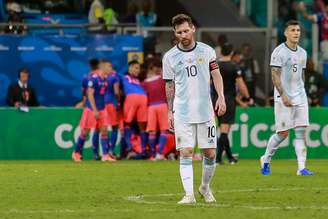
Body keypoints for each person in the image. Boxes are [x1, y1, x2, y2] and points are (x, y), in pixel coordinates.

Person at [162, 14, 226, 204]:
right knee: (186, 151)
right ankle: (189, 194)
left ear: (193, 29)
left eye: (185, 30)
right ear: (175, 33)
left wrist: (221, 96)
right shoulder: (170, 57)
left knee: (210, 153)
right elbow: (169, 85)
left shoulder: (207, 51)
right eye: (179, 31)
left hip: (205, 111)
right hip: (182, 112)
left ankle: (204, 188)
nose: (183, 34)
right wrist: (169, 111)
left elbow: (216, 75)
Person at [260, 20, 314, 176]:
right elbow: (274, 75)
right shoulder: (279, 52)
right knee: (283, 133)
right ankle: (266, 159)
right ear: (285, 33)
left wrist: (303, 93)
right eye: (292, 30)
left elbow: (301, 75)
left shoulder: (303, 52)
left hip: (300, 97)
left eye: (298, 30)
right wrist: (283, 94)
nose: (296, 33)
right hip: (283, 97)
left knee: (300, 133)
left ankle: (301, 168)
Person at [214, 43, 253, 165]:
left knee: (223, 129)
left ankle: (229, 157)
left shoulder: (215, 65)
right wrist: (247, 97)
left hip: (216, 100)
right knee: (225, 131)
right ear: (231, 52)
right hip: (228, 100)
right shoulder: (234, 66)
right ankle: (218, 159)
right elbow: (241, 84)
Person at [72, 59, 114, 162]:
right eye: (109, 67)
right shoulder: (93, 79)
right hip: (91, 109)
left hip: (102, 108)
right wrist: (95, 110)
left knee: (104, 130)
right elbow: (90, 94)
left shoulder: (105, 80)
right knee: (85, 131)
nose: (111, 69)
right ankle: (76, 153)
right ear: (103, 67)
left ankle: (105, 155)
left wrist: (101, 109)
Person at [142, 58, 169, 160]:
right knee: (163, 131)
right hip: (162, 105)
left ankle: (153, 155)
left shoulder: (145, 82)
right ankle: (159, 154)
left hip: (151, 107)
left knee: (152, 132)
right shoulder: (163, 79)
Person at [121, 60, 148, 159]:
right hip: (143, 98)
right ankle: (144, 150)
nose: (138, 70)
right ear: (130, 68)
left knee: (127, 123)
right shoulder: (126, 77)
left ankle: (129, 148)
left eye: (138, 68)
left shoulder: (129, 79)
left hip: (132, 98)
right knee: (142, 126)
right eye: (136, 68)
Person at [104, 61, 120, 157]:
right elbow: (116, 91)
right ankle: (110, 151)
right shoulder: (114, 76)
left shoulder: (102, 77)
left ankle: (98, 153)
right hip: (111, 104)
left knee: (102, 128)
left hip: (102, 104)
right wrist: (118, 101)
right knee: (114, 127)